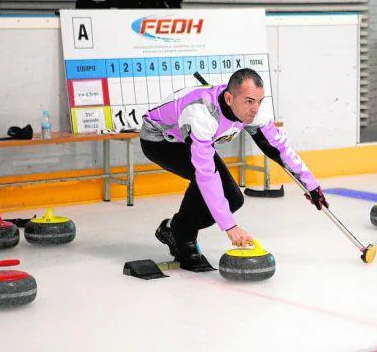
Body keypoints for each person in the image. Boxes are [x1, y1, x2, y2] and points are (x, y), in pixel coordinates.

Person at [140, 68, 329, 272]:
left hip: (190, 140)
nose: (256, 109)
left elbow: (278, 148)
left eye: (259, 101)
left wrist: (311, 186)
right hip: (160, 141)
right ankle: (182, 236)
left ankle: (175, 229)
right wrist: (230, 227)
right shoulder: (201, 113)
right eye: (249, 101)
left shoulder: (252, 110)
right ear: (229, 98)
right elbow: (206, 175)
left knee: (234, 199)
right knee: (205, 181)